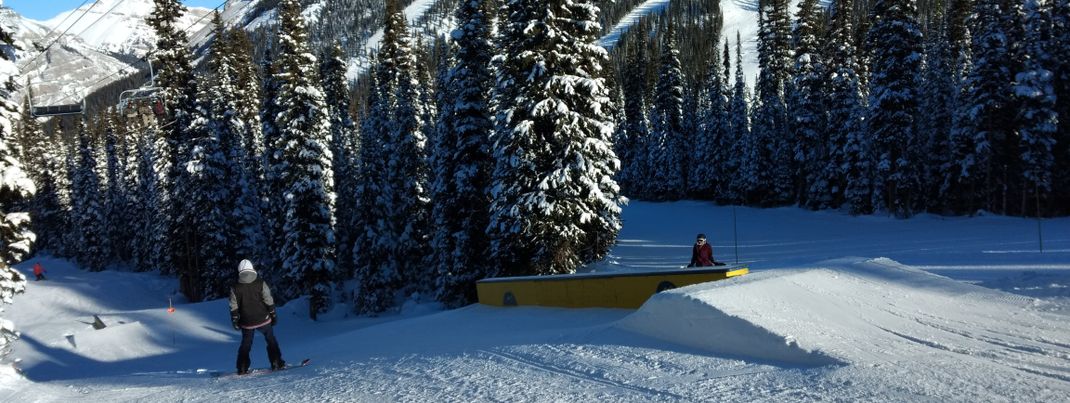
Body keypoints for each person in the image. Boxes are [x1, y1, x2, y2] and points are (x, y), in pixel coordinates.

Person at [229, 259, 285, 375]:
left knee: (246, 344)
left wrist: (235, 320)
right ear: (252, 269)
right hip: (263, 319)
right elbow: (268, 299)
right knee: (270, 340)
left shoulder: (235, 287)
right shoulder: (260, 283)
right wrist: (273, 314)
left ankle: (242, 367)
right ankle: (276, 362)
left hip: (246, 322)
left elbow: (233, 305)